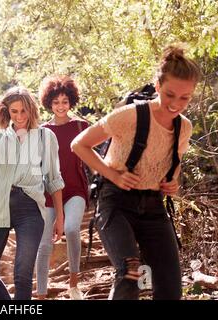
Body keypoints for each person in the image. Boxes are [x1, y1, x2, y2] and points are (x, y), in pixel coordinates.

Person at [71, 46, 201, 300]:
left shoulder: (184, 127)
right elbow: (78, 144)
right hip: (116, 202)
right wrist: (113, 173)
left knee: (170, 285)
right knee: (131, 272)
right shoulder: (129, 115)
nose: (176, 104)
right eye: (169, 94)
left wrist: (172, 182)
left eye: (184, 98)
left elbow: (174, 165)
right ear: (157, 85)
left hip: (153, 207)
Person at [0, 86, 64, 300]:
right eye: (14, 111)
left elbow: (54, 178)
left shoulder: (45, 136)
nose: (19, 116)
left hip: (29, 206)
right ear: (6, 111)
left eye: (23, 111)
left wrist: (59, 217)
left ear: (31, 110)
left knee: (22, 274)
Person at [35, 75, 89, 300]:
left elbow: (96, 157)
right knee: (44, 241)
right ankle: (41, 293)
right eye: (56, 102)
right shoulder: (41, 131)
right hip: (48, 193)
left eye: (65, 101)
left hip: (75, 189)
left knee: (73, 228)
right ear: (49, 102)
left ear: (71, 102)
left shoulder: (81, 126)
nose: (60, 106)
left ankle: (74, 284)